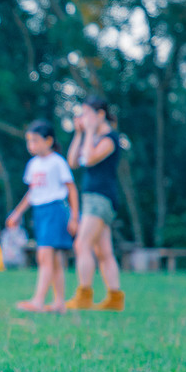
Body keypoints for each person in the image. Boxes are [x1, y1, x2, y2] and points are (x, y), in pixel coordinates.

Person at [6, 120, 79, 313]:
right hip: (40, 212)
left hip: (55, 210)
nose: (32, 145)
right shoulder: (33, 165)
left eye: (36, 141)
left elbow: (71, 189)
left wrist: (74, 216)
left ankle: (38, 301)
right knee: (53, 260)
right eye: (29, 141)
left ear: (48, 140)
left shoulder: (57, 162)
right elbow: (32, 193)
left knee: (44, 256)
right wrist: (17, 213)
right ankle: (59, 303)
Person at [65, 95, 125, 311]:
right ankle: (115, 297)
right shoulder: (92, 137)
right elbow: (73, 162)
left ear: (100, 115)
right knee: (103, 252)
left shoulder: (110, 139)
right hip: (92, 198)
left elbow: (89, 159)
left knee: (82, 244)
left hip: (101, 198)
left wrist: (89, 131)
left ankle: (84, 295)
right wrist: (79, 133)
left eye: (87, 113)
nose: (83, 118)